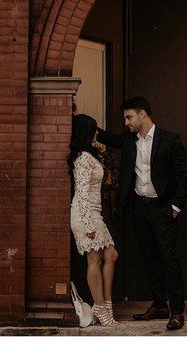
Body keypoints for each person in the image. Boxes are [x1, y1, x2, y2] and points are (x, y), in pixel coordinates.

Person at [98, 96, 187, 331]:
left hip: (162, 208)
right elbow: (106, 137)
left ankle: (177, 311)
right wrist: (75, 118)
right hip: (139, 208)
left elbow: (184, 174)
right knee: (150, 258)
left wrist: (176, 206)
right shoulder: (130, 141)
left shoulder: (170, 140)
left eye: (129, 117)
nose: (127, 122)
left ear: (143, 114)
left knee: (168, 258)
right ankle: (160, 304)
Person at [68, 113, 119, 327]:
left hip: (94, 213)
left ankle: (105, 304)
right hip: (84, 213)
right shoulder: (82, 159)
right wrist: (88, 224)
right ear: (87, 132)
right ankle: (100, 306)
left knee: (111, 255)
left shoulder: (90, 155)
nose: (97, 133)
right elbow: (81, 193)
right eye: (94, 129)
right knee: (94, 259)